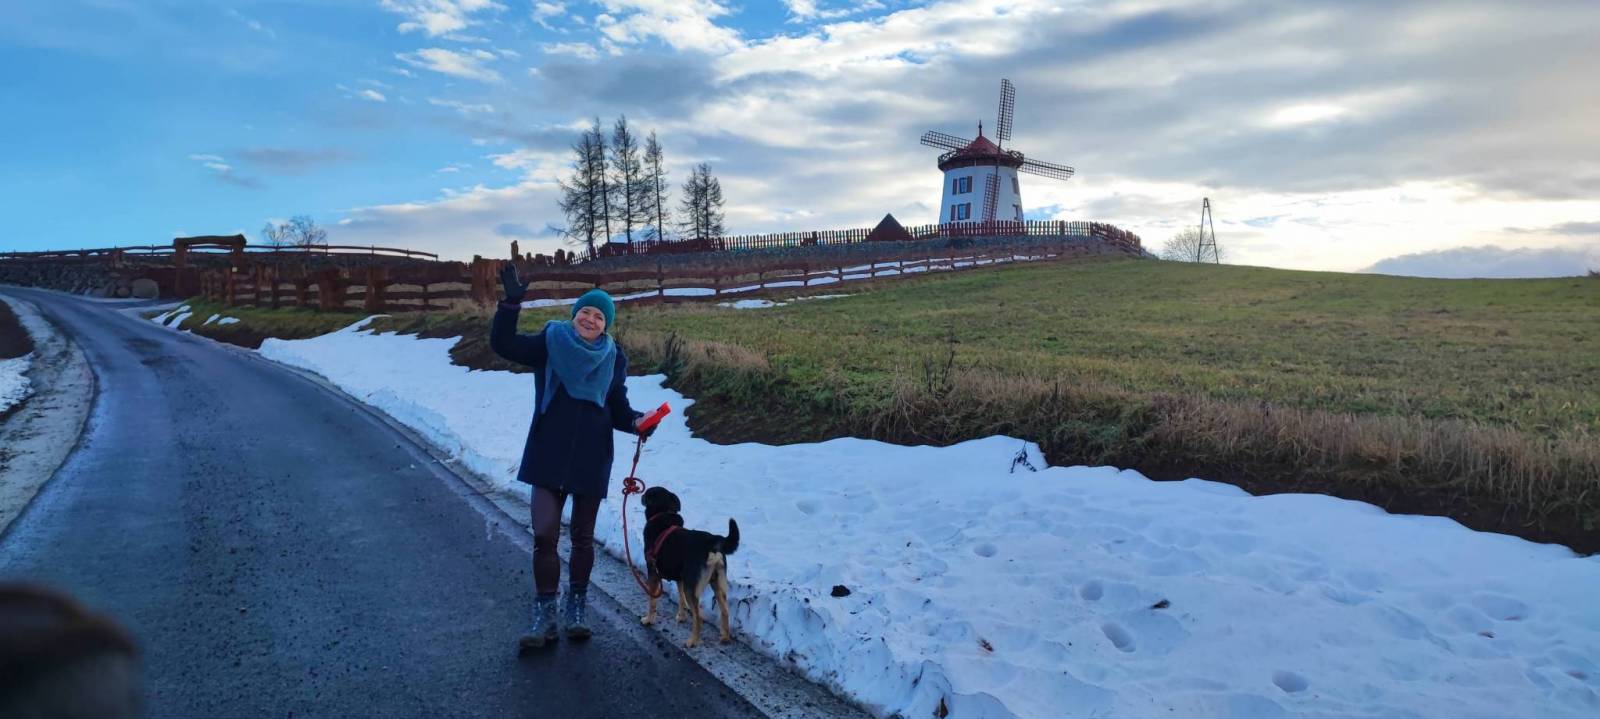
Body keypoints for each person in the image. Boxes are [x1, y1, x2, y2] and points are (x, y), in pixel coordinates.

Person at [489, 264, 654, 648]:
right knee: (544, 535)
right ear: (575, 313)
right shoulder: (551, 341)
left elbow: (616, 408)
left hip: (591, 458)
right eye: (586, 312)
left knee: (582, 539)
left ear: (606, 325)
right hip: (548, 453)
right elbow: (504, 345)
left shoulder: (614, 358)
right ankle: (544, 615)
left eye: (599, 316)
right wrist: (510, 305)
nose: (591, 319)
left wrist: (638, 423)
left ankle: (576, 608)